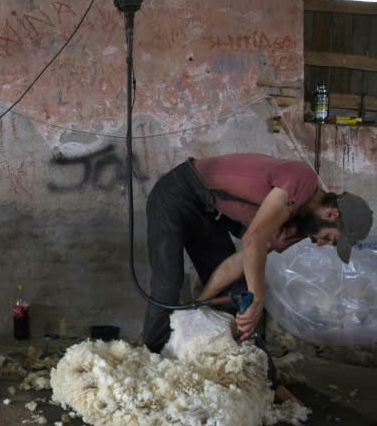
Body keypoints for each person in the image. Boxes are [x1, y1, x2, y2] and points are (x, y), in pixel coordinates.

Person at [143, 153, 373, 402]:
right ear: (331, 214)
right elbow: (253, 240)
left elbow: (237, 263)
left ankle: (268, 382)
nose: (321, 244)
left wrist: (201, 303)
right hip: (177, 193)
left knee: (238, 293)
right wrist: (257, 298)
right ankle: (149, 362)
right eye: (329, 239)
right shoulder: (302, 179)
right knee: (168, 285)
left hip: (208, 212)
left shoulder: (294, 229)